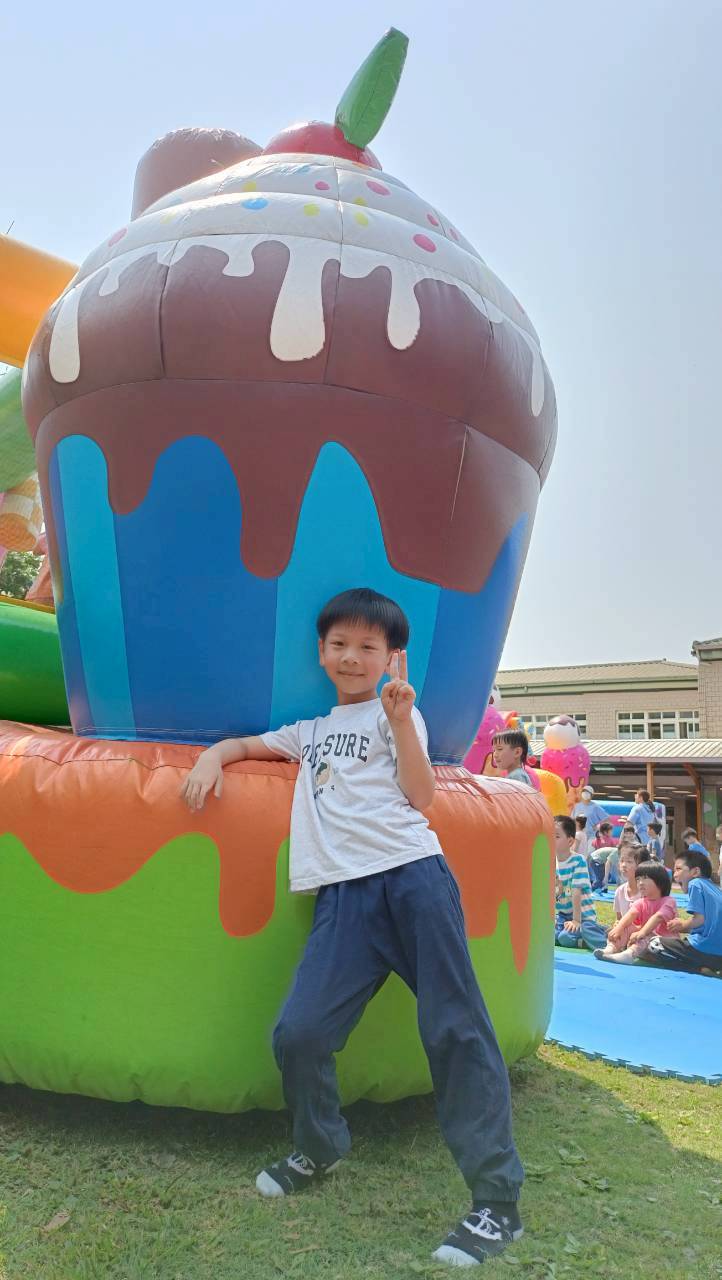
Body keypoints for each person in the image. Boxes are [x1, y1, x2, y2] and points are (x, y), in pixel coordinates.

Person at [180, 587, 524, 1266]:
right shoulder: (308, 731)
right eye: (339, 643)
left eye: (368, 646)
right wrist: (211, 757)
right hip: (343, 898)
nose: (351, 656)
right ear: (321, 651)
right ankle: (320, 1146)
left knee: (455, 1029)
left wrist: (400, 721)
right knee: (300, 1033)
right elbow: (247, 743)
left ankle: (496, 1204)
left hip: (413, 880)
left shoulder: (399, 713)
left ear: (391, 657)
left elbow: (422, 795)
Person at [646, 850, 722, 975]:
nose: (675, 875)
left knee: (654, 944)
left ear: (695, 872)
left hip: (704, 949)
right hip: (719, 956)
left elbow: (699, 920)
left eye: (678, 869)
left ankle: (699, 969)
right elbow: (708, 926)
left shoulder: (695, 883)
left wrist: (682, 925)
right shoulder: (716, 890)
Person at [594, 861, 677, 964]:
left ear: (660, 881)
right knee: (625, 927)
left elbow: (658, 917)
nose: (640, 883)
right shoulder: (641, 902)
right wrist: (619, 928)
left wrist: (642, 932)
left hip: (663, 945)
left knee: (647, 935)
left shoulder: (669, 901)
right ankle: (611, 948)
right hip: (644, 942)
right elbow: (631, 914)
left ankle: (629, 955)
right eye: (638, 879)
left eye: (645, 878)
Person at [554, 815, 608, 950]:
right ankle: (581, 941)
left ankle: (606, 937)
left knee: (565, 937)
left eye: (556, 836)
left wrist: (576, 920)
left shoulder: (578, 861)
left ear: (570, 841)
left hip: (583, 916)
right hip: (563, 915)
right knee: (552, 936)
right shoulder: (550, 862)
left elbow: (576, 892)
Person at [612, 844, 644, 918]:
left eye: (629, 861)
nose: (623, 865)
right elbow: (619, 919)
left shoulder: (646, 892)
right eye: (622, 861)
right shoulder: (620, 891)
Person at [588, 822, 615, 892]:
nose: (612, 832)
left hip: (597, 861)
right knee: (601, 878)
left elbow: (594, 848)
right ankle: (591, 890)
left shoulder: (598, 839)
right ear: (606, 832)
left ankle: (603, 888)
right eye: (611, 831)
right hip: (599, 862)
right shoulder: (608, 840)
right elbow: (613, 850)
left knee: (605, 876)